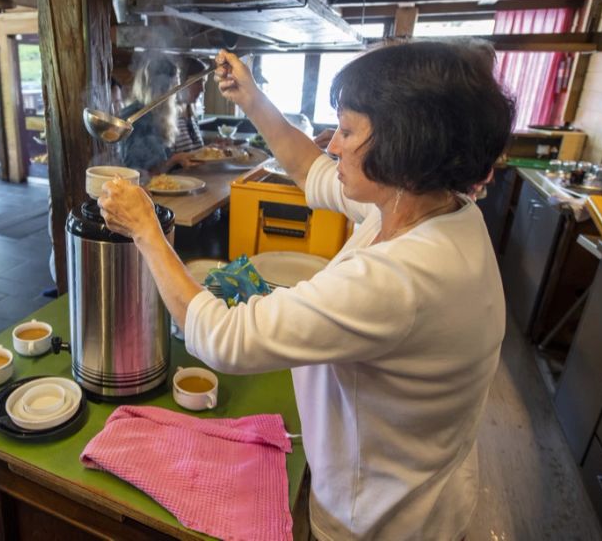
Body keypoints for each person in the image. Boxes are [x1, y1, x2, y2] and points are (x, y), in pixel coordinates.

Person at [98, 41, 514, 539]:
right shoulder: (433, 208)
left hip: (379, 519)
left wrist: (146, 229)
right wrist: (250, 98)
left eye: (348, 129)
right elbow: (310, 169)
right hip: (427, 491)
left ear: (402, 146)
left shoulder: (402, 279)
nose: (333, 144)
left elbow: (220, 338)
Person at [120, 56, 200, 175]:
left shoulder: (155, 115)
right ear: (160, 89)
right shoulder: (137, 117)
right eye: (173, 88)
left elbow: (159, 162)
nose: (175, 95)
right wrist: (174, 160)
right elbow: (138, 173)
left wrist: (176, 159)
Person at [171, 57, 207, 154]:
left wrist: (213, 148)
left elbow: (194, 153)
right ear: (181, 82)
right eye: (198, 82)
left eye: (203, 82)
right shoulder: (169, 117)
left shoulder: (190, 113)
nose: (202, 89)